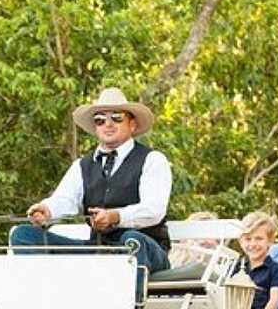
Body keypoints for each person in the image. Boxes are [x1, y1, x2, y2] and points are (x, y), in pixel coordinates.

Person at [10, 88, 172, 285]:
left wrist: (114, 217)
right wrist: (46, 210)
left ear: (132, 123)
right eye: (100, 120)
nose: (108, 124)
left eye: (116, 118)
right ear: (96, 127)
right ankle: (48, 302)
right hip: (98, 249)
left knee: (132, 240)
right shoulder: (82, 165)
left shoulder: (152, 160)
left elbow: (154, 210)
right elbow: (65, 200)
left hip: (147, 249)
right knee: (23, 235)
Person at [233, 210, 278, 309]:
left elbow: (274, 301)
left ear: (270, 241)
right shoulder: (236, 266)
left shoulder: (275, 269)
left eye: (259, 239)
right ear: (241, 241)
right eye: (248, 239)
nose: (253, 244)